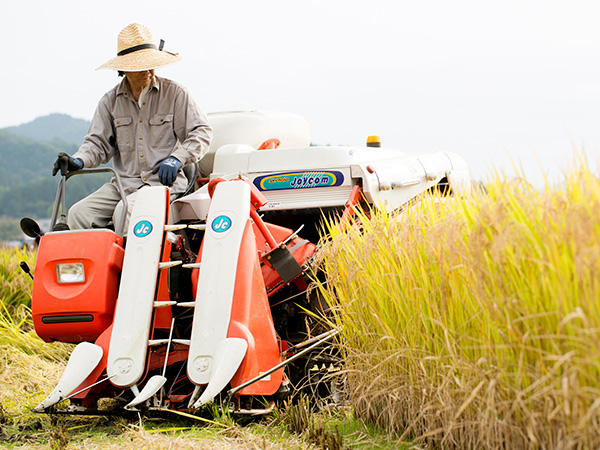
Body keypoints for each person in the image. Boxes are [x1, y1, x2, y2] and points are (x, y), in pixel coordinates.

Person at [53, 23, 212, 235]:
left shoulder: (175, 94)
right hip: (122, 184)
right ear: (124, 68)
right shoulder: (109, 102)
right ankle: (88, 268)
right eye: (141, 65)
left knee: (124, 212)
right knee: (78, 214)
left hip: (163, 185)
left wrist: (177, 158)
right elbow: (97, 145)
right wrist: (78, 160)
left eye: (151, 63)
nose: (148, 69)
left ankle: (130, 268)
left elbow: (202, 132)